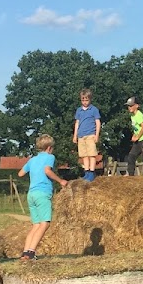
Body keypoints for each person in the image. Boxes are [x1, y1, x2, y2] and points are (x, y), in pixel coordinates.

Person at [17, 133, 69, 261]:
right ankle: (31, 252)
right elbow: (47, 171)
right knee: (45, 224)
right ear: (49, 147)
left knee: (36, 225)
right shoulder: (50, 157)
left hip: (31, 194)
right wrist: (61, 181)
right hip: (42, 193)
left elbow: (20, 173)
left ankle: (25, 253)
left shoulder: (32, 160)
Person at [73, 88, 102, 182]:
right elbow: (77, 123)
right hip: (81, 136)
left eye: (86, 100)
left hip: (90, 135)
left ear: (90, 99)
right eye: (83, 100)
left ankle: (92, 172)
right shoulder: (79, 110)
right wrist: (75, 135)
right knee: (84, 155)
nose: (85, 102)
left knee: (92, 154)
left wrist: (97, 135)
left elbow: (98, 122)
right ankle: (87, 172)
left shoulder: (94, 110)